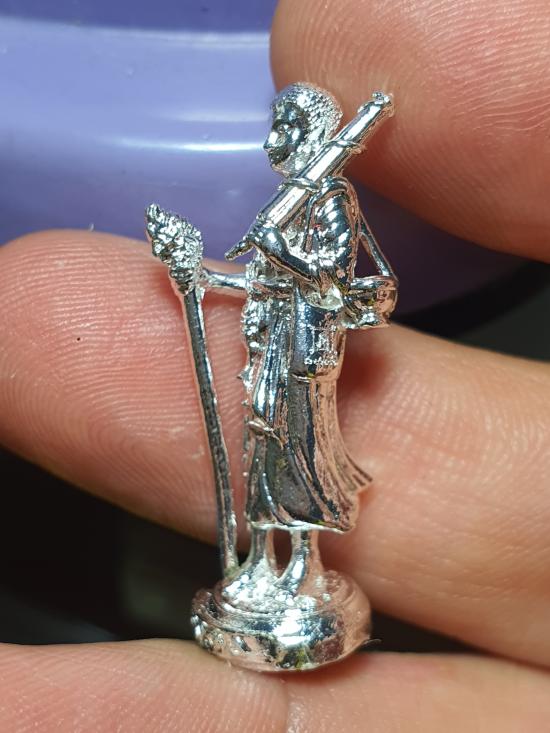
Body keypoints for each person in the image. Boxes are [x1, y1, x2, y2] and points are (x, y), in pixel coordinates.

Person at [1, 0, 550, 727]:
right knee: (261, 454)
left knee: (299, 456)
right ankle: (262, 564)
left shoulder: (327, 200)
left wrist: (279, 244)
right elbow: (256, 282)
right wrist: (197, 274)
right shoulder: (288, 202)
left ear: (313, 136)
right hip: (266, 346)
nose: (274, 138)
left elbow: (328, 276)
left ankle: (304, 569)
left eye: (286, 126)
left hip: (306, 351)